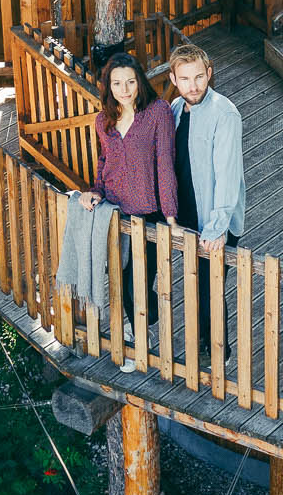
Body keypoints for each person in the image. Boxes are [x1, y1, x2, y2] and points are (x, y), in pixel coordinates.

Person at [77, 53, 175, 371]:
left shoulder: (158, 112)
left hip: (148, 213)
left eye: (130, 81)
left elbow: (165, 165)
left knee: (137, 280)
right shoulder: (102, 120)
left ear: (139, 81)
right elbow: (105, 164)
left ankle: (136, 341)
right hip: (115, 212)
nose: (125, 88)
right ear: (109, 86)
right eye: (117, 83)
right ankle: (138, 322)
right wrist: (95, 191)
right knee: (118, 276)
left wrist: (170, 215)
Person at [168, 43, 244, 362]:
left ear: (209, 73)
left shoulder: (224, 113)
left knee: (211, 289)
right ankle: (201, 343)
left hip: (214, 220)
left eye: (199, 77)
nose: (194, 86)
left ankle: (218, 354)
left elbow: (227, 175)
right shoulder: (174, 108)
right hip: (187, 215)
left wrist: (216, 229)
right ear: (174, 79)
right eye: (185, 79)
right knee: (194, 284)